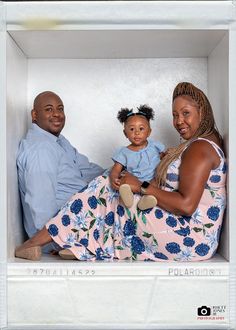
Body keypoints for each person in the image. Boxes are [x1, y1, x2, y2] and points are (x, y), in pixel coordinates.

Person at [15, 82, 227, 262]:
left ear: (203, 112)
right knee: (109, 188)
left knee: (106, 188)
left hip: (188, 237)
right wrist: (120, 176)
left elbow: (186, 205)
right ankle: (79, 244)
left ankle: (38, 242)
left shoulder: (199, 148)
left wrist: (141, 186)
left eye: (186, 113)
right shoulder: (204, 142)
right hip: (198, 239)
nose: (179, 121)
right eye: (175, 115)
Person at [17, 91, 104, 253]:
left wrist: (121, 169)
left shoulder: (58, 141)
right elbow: (40, 204)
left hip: (83, 220)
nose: (57, 114)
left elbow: (88, 170)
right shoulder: (40, 149)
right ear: (35, 115)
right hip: (62, 235)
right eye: (49, 109)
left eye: (60, 109)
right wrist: (57, 241)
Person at [110, 105, 165, 210]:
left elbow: (164, 157)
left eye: (141, 128)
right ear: (125, 133)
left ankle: (146, 201)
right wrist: (114, 179)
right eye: (131, 129)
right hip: (134, 181)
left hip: (152, 179)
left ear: (149, 132)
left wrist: (168, 157)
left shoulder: (154, 145)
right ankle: (128, 197)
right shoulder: (123, 152)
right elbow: (115, 170)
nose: (137, 132)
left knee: (157, 182)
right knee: (125, 181)